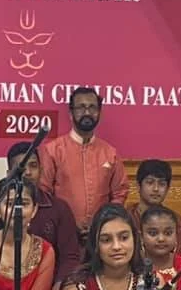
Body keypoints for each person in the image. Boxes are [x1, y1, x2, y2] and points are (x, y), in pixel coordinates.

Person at [0, 142, 81, 290]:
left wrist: (58, 289)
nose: (27, 172)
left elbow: (70, 256)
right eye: (20, 167)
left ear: (41, 170)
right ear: (9, 173)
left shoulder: (59, 209)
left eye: (33, 166)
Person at [39, 87, 129, 239]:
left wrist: (102, 222)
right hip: (61, 234)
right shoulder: (53, 150)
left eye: (92, 107)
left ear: (99, 113)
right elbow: (44, 193)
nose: (87, 112)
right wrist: (66, 222)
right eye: (81, 107)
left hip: (101, 236)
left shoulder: (110, 153)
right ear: (71, 113)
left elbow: (119, 193)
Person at [128, 159, 181, 251]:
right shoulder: (126, 217)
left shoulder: (176, 222)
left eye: (161, 184)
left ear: (168, 188)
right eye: (150, 182)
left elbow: (180, 256)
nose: (156, 189)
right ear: (138, 185)